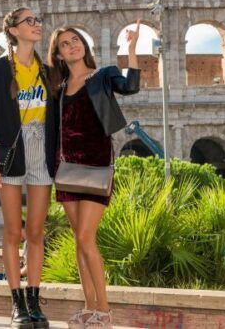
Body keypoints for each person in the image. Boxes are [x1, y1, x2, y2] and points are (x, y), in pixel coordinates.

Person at [46, 22, 141, 329]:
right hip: (68, 167)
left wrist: (131, 48)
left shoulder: (102, 75)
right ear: (59, 55)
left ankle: (104, 310)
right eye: (64, 44)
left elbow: (131, 86)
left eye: (76, 40)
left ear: (84, 46)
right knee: (78, 240)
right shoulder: (58, 88)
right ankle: (88, 306)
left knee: (87, 237)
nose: (72, 45)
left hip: (97, 164)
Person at [0, 7, 54, 329]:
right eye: (30, 21)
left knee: (36, 232)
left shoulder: (50, 70)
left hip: (42, 147)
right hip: (12, 148)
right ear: (13, 30)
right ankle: (17, 304)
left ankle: (35, 301)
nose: (36, 24)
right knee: (13, 232)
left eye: (38, 20)